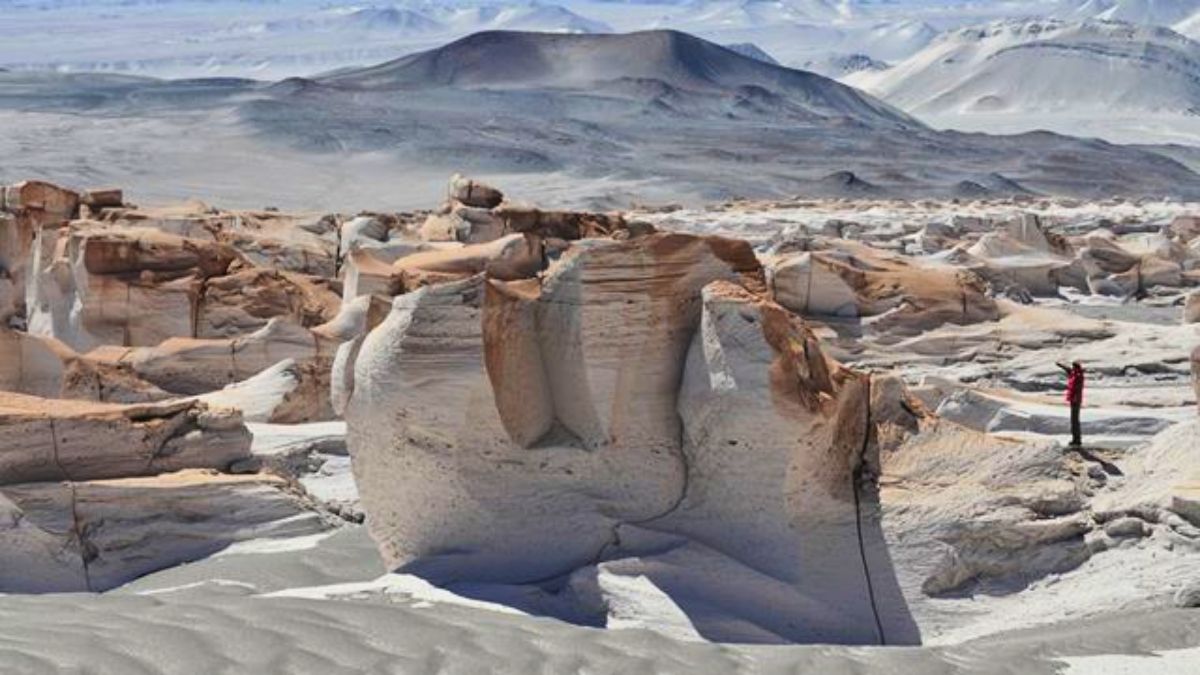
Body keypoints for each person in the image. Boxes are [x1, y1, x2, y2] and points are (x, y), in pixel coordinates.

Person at [1055, 361, 1085, 448]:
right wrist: (1060, 365)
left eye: (1074, 367)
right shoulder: (1074, 374)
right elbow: (1067, 369)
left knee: (1075, 421)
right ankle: (1075, 439)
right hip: (1073, 400)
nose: (1072, 368)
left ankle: (1077, 440)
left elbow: (1078, 388)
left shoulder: (1079, 376)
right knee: (1074, 420)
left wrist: (1075, 398)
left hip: (1076, 401)